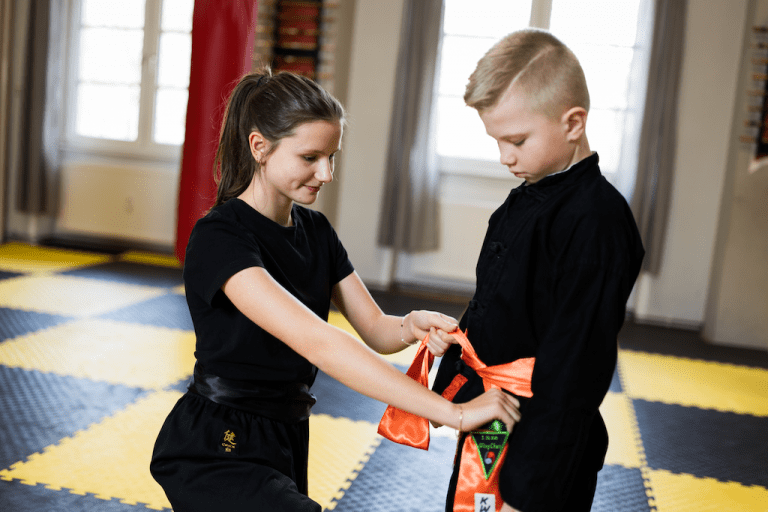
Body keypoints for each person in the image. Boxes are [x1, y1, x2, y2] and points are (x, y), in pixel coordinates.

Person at [149, 69, 521, 512]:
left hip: (286, 435)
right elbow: (319, 343)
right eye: (310, 157)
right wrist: (454, 414)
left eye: (332, 157)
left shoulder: (317, 231)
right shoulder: (220, 237)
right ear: (259, 147)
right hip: (217, 444)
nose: (325, 173)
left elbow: (377, 330)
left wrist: (410, 325)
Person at [431, 29, 645, 512]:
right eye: (496, 141)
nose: (504, 157)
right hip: (494, 418)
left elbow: (576, 370)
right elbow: (499, 302)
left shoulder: (597, 223)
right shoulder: (528, 196)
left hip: (544, 445)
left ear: (573, 123)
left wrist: (527, 491)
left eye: (516, 140)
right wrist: (457, 359)